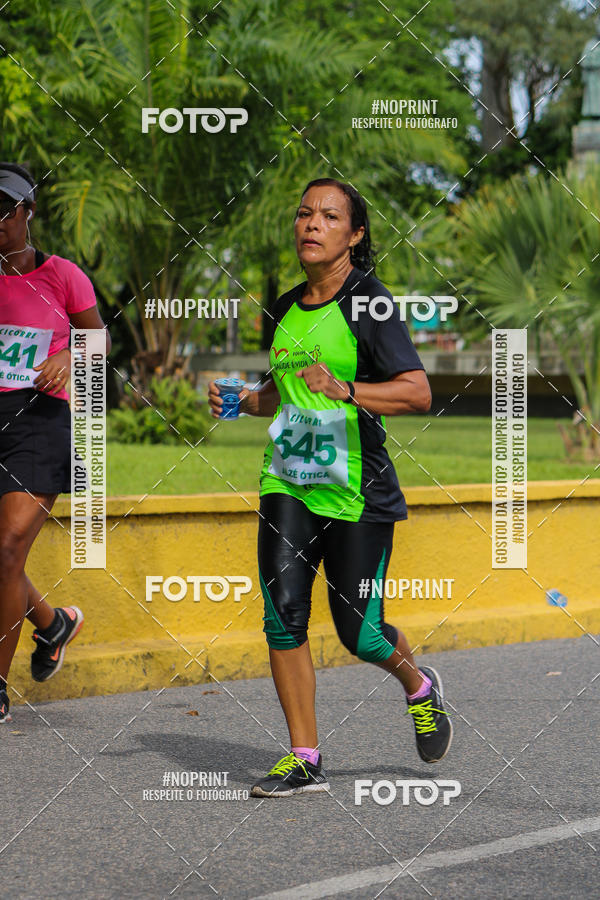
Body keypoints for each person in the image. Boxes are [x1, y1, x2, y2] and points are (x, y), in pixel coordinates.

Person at [208, 177, 452, 797]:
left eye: (330, 216)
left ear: (355, 234)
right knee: (283, 615)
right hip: (287, 482)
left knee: (360, 634)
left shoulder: (370, 302)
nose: (312, 223)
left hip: (357, 492)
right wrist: (240, 400)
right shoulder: (283, 308)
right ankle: (304, 757)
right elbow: (284, 394)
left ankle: (420, 687)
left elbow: (417, 392)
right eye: (304, 213)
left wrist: (347, 389)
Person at [0, 162, 111, 723]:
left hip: (38, 418)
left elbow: (97, 338)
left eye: (4, 208)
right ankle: (53, 624)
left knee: (7, 548)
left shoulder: (62, 275)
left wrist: (69, 355)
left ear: (28, 212)